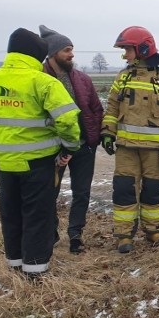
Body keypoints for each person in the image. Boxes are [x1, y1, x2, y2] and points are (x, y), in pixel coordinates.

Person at [0, 28, 81, 277]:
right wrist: (70, 146)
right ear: (37, 55)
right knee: (37, 215)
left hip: (4, 163)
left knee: (11, 213)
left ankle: (14, 265)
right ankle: (35, 270)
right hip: (38, 163)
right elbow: (67, 120)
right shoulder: (43, 82)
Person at [100, 26, 159, 253]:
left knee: (152, 191)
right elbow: (111, 107)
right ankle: (124, 236)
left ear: (142, 49)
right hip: (126, 149)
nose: (124, 55)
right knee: (124, 190)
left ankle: (153, 231)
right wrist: (107, 133)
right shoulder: (122, 77)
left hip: (155, 150)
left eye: (127, 49)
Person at [39, 25, 105, 254]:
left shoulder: (83, 79)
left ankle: (75, 234)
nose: (72, 54)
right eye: (67, 49)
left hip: (84, 147)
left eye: (72, 49)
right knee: (49, 193)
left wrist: (94, 137)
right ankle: (51, 233)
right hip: (52, 149)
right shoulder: (39, 80)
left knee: (82, 192)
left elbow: (96, 109)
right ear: (53, 52)